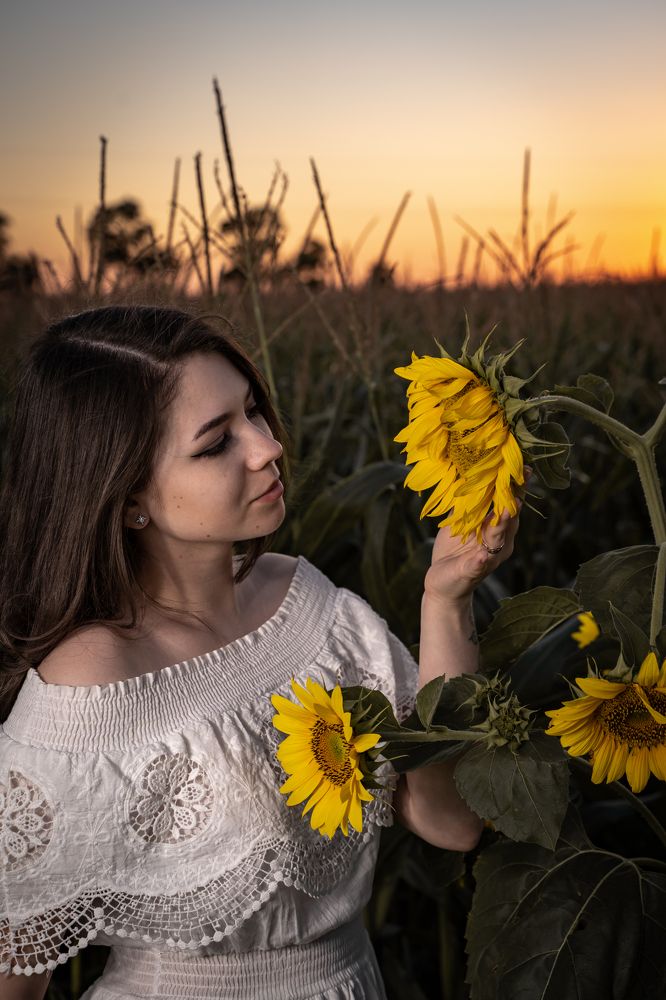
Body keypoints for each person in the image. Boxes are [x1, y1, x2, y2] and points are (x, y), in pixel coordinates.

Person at [0, 306, 520, 1000]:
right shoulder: (90, 691)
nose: (267, 446)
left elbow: (451, 822)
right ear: (126, 499)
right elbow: (18, 965)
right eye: (216, 442)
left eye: (252, 411)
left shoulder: (310, 608)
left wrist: (446, 598)